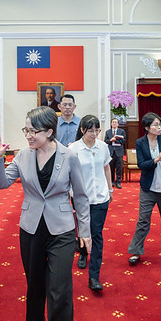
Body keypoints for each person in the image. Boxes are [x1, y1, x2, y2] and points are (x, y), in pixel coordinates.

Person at [0, 106, 91, 321]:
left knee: (60, 290)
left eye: (33, 131)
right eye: (26, 130)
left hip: (61, 229)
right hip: (31, 227)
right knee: (34, 284)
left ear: (49, 131)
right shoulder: (23, 155)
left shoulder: (69, 156)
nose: (28, 135)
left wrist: (84, 231)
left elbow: (81, 196)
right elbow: (1, 184)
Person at [128, 112, 161, 265]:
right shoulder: (140, 143)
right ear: (147, 127)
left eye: (160, 124)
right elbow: (141, 164)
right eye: (155, 125)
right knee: (143, 220)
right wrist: (155, 160)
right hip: (148, 188)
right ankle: (136, 251)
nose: (159, 127)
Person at [71, 115, 112, 291]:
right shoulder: (73, 149)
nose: (94, 134)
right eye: (90, 131)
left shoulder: (103, 147)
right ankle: (82, 252)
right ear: (82, 130)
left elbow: (106, 167)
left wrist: (110, 190)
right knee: (83, 229)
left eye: (97, 130)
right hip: (81, 197)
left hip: (100, 197)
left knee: (96, 234)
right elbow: (69, 173)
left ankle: (94, 276)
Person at [104, 117, 126, 189]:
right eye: (113, 122)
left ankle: (118, 182)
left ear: (118, 124)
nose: (114, 123)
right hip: (111, 152)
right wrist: (111, 140)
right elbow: (105, 141)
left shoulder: (122, 131)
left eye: (115, 122)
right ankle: (112, 181)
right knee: (111, 167)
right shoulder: (108, 132)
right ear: (111, 124)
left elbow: (124, 141)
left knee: (119, 167)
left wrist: (115, 140)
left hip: (119, 151)